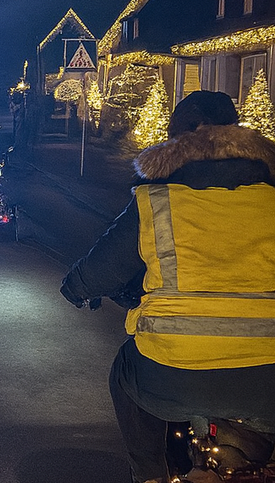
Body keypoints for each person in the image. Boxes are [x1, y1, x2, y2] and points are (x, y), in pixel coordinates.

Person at [59, 91, 275, 483]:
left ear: (180, 139)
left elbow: (100, 270)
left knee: (124, 374)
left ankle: (149, 474)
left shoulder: (156, 200)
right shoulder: (271, 198)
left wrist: (76, 287)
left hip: (172, 373)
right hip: (269, 375)